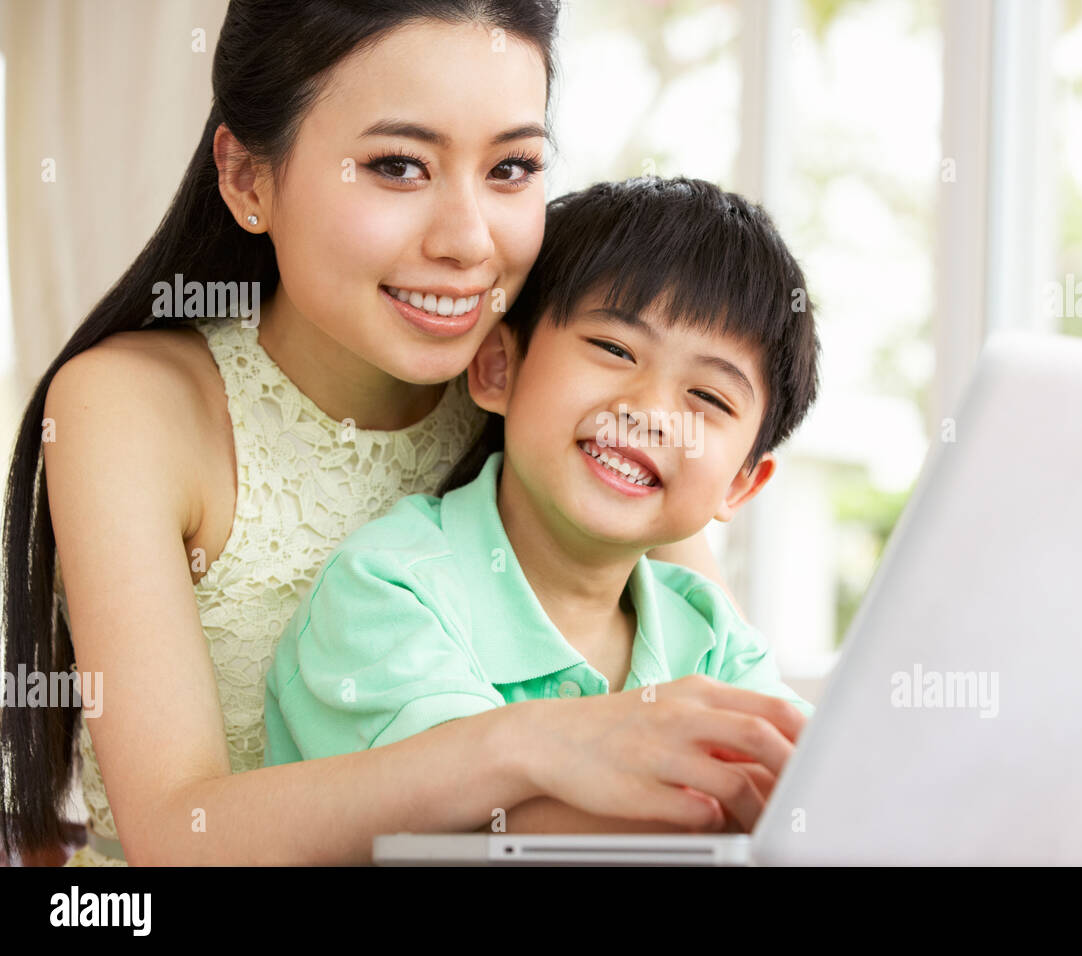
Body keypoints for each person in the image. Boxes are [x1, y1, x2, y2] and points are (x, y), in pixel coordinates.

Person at [0, 1, 808, 866]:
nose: (468, 242)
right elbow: (177, 835)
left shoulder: (555, 401)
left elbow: (716, 705)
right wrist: (532, 743)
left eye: (512, 168)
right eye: (397, 165)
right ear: (246, 179)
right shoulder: (127, 406)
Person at [263, 177, 821, 835]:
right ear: (499, 369)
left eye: (710, 398)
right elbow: (482, 824)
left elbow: (815, 794)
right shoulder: (391, 587)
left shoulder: (711, 638)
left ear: (739, 487)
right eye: (615, 349)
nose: (648, 411)